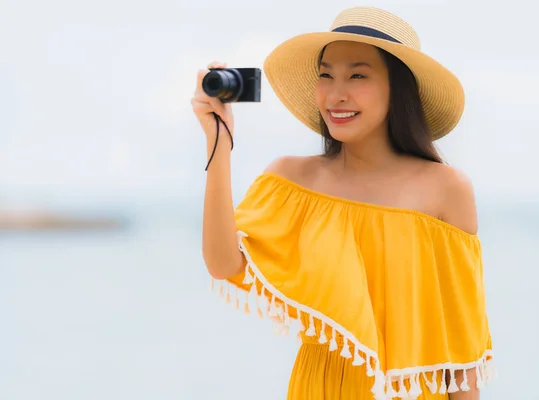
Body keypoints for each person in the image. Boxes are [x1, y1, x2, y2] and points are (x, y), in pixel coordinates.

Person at [191, 6, 495, 400]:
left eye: (358, 75)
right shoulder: (292, 180)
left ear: (397, 87)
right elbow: (223, 263)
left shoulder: (446, 189)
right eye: (326, 75)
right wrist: (219, 141)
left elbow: (461, 353)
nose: (336, 94)